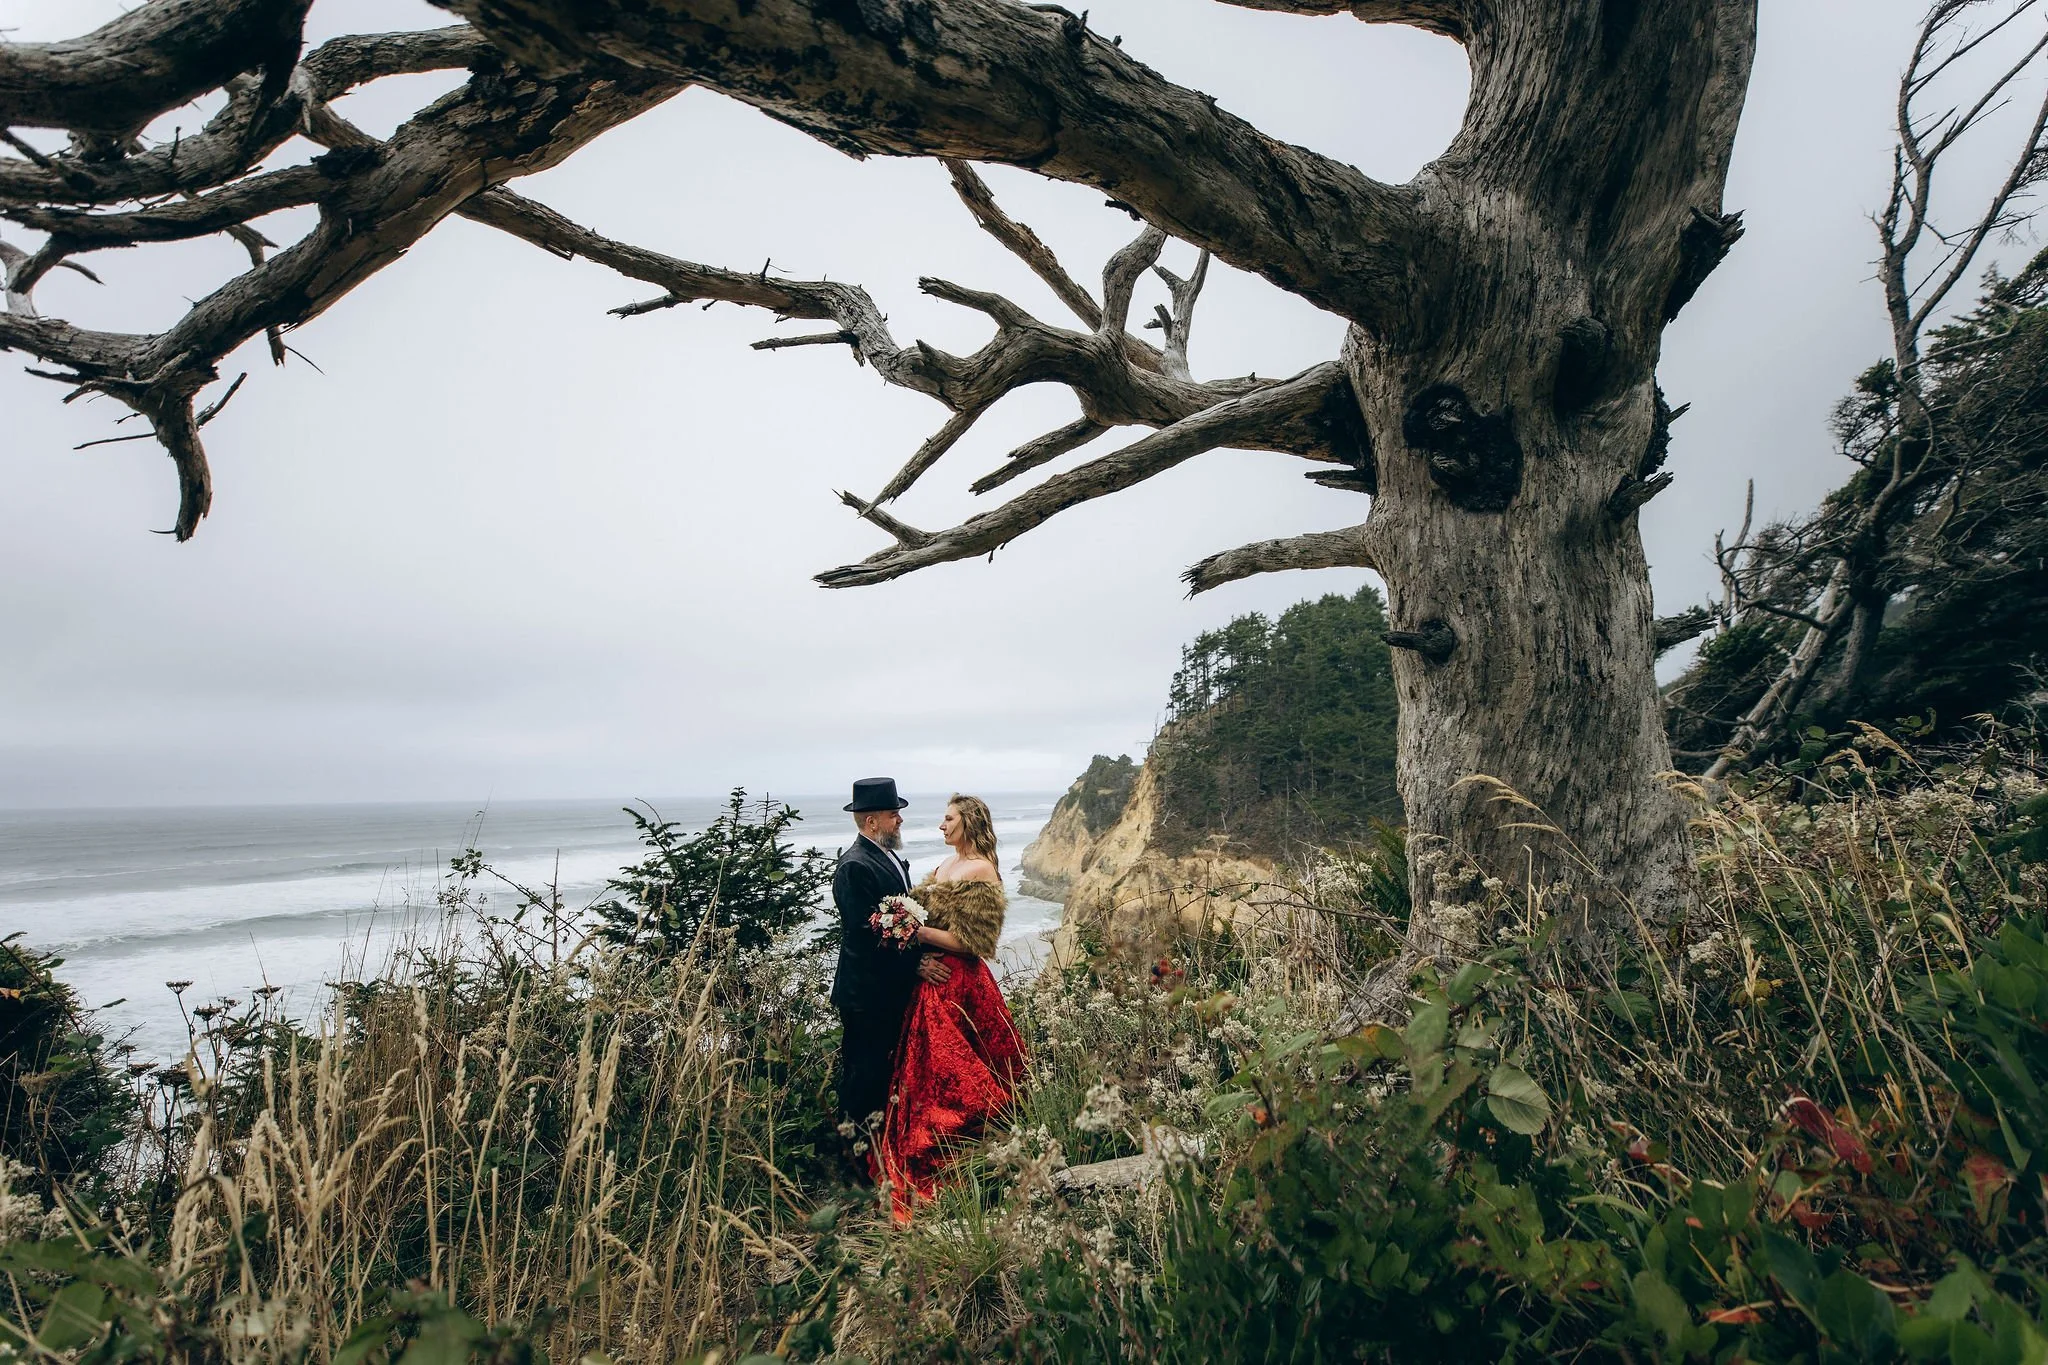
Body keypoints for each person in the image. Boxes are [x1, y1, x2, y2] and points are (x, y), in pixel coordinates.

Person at [871, 793, 1025, 1221]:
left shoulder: (979, 870)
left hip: (960, 984)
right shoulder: (944, 867)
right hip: (934, 981)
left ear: (969, 823)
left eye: (948, 818)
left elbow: (974, 943)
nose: (941, 825)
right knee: (927, 1071)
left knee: (956, 1071)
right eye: (942, 818)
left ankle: (969, 1151)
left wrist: (915, 933)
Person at [829, 777, 950, 1178]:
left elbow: (900, 921)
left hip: (888, 991)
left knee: (886, 1075)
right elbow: (865, 934)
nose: (899, 819)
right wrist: (915, 965)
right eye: (892, 813)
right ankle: (853, 1168)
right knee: (862, 1079)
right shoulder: (854, 866)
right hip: (865, 993)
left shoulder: (887, 857)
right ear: (870, 822)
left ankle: (882, 1160)